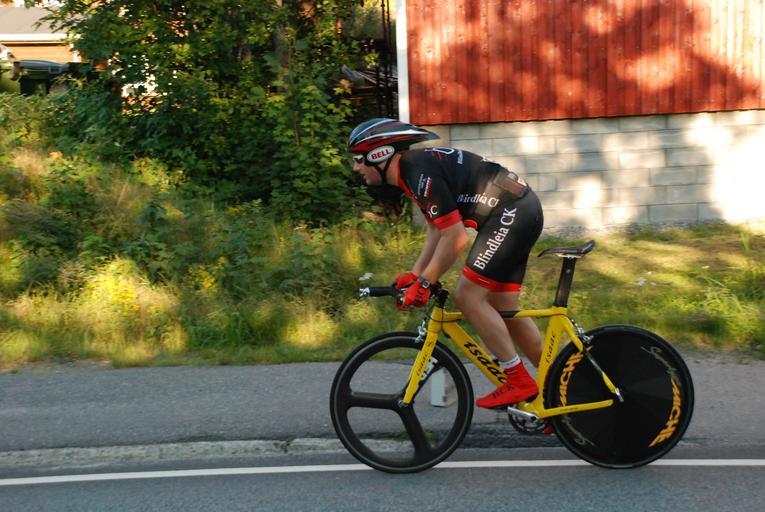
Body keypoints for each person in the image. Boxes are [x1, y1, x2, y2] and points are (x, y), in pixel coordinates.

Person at [348, 118, 545, 409]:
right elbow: (437, 228)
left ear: (380, 155)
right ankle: (559, 385)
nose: (356, 168)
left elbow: (455, 237)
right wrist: (416, 275)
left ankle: (518, 380)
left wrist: (425, 282)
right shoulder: (413, 170)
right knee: (503, 306)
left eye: (358, 159)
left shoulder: (417, 172)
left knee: (468, 297)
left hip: (510, 213)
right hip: (520, 209)